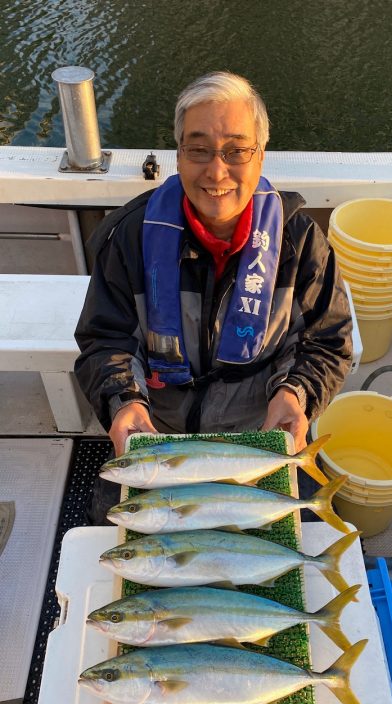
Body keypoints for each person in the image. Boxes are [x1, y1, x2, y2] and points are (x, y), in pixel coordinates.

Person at [75, 71, 353, 463]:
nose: (216, 171)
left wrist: (295, 393)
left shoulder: (301, 242)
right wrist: (124, 402)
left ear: (260, 156)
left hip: (260, 435)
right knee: (115, 522)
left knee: (294, 522)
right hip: (158, 435)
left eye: (236, 151)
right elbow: (105, 340)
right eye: (198, 149)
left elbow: (327, 341)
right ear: (178, 155)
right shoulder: (130, 236)